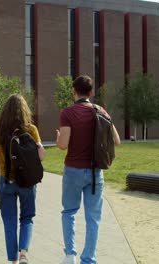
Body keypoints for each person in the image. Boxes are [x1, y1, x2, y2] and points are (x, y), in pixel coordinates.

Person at [56, 76, 121, 264]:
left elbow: (63, 145)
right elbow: (116, 140)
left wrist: (59, 136)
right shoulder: (101, 111)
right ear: (91, 93)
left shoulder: (67, 113)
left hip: (73, 170)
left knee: (69, 212)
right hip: (95, 173)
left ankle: (70, 255)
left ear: (73, 91)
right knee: (93, 218)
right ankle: (89, 259)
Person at [0, 94, 46, 264]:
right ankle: (23, 253)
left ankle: (13, 261)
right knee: (27, 217)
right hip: (27, 182)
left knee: (9, 222)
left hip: (6, 181)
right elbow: (41, 156)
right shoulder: (31, 130)